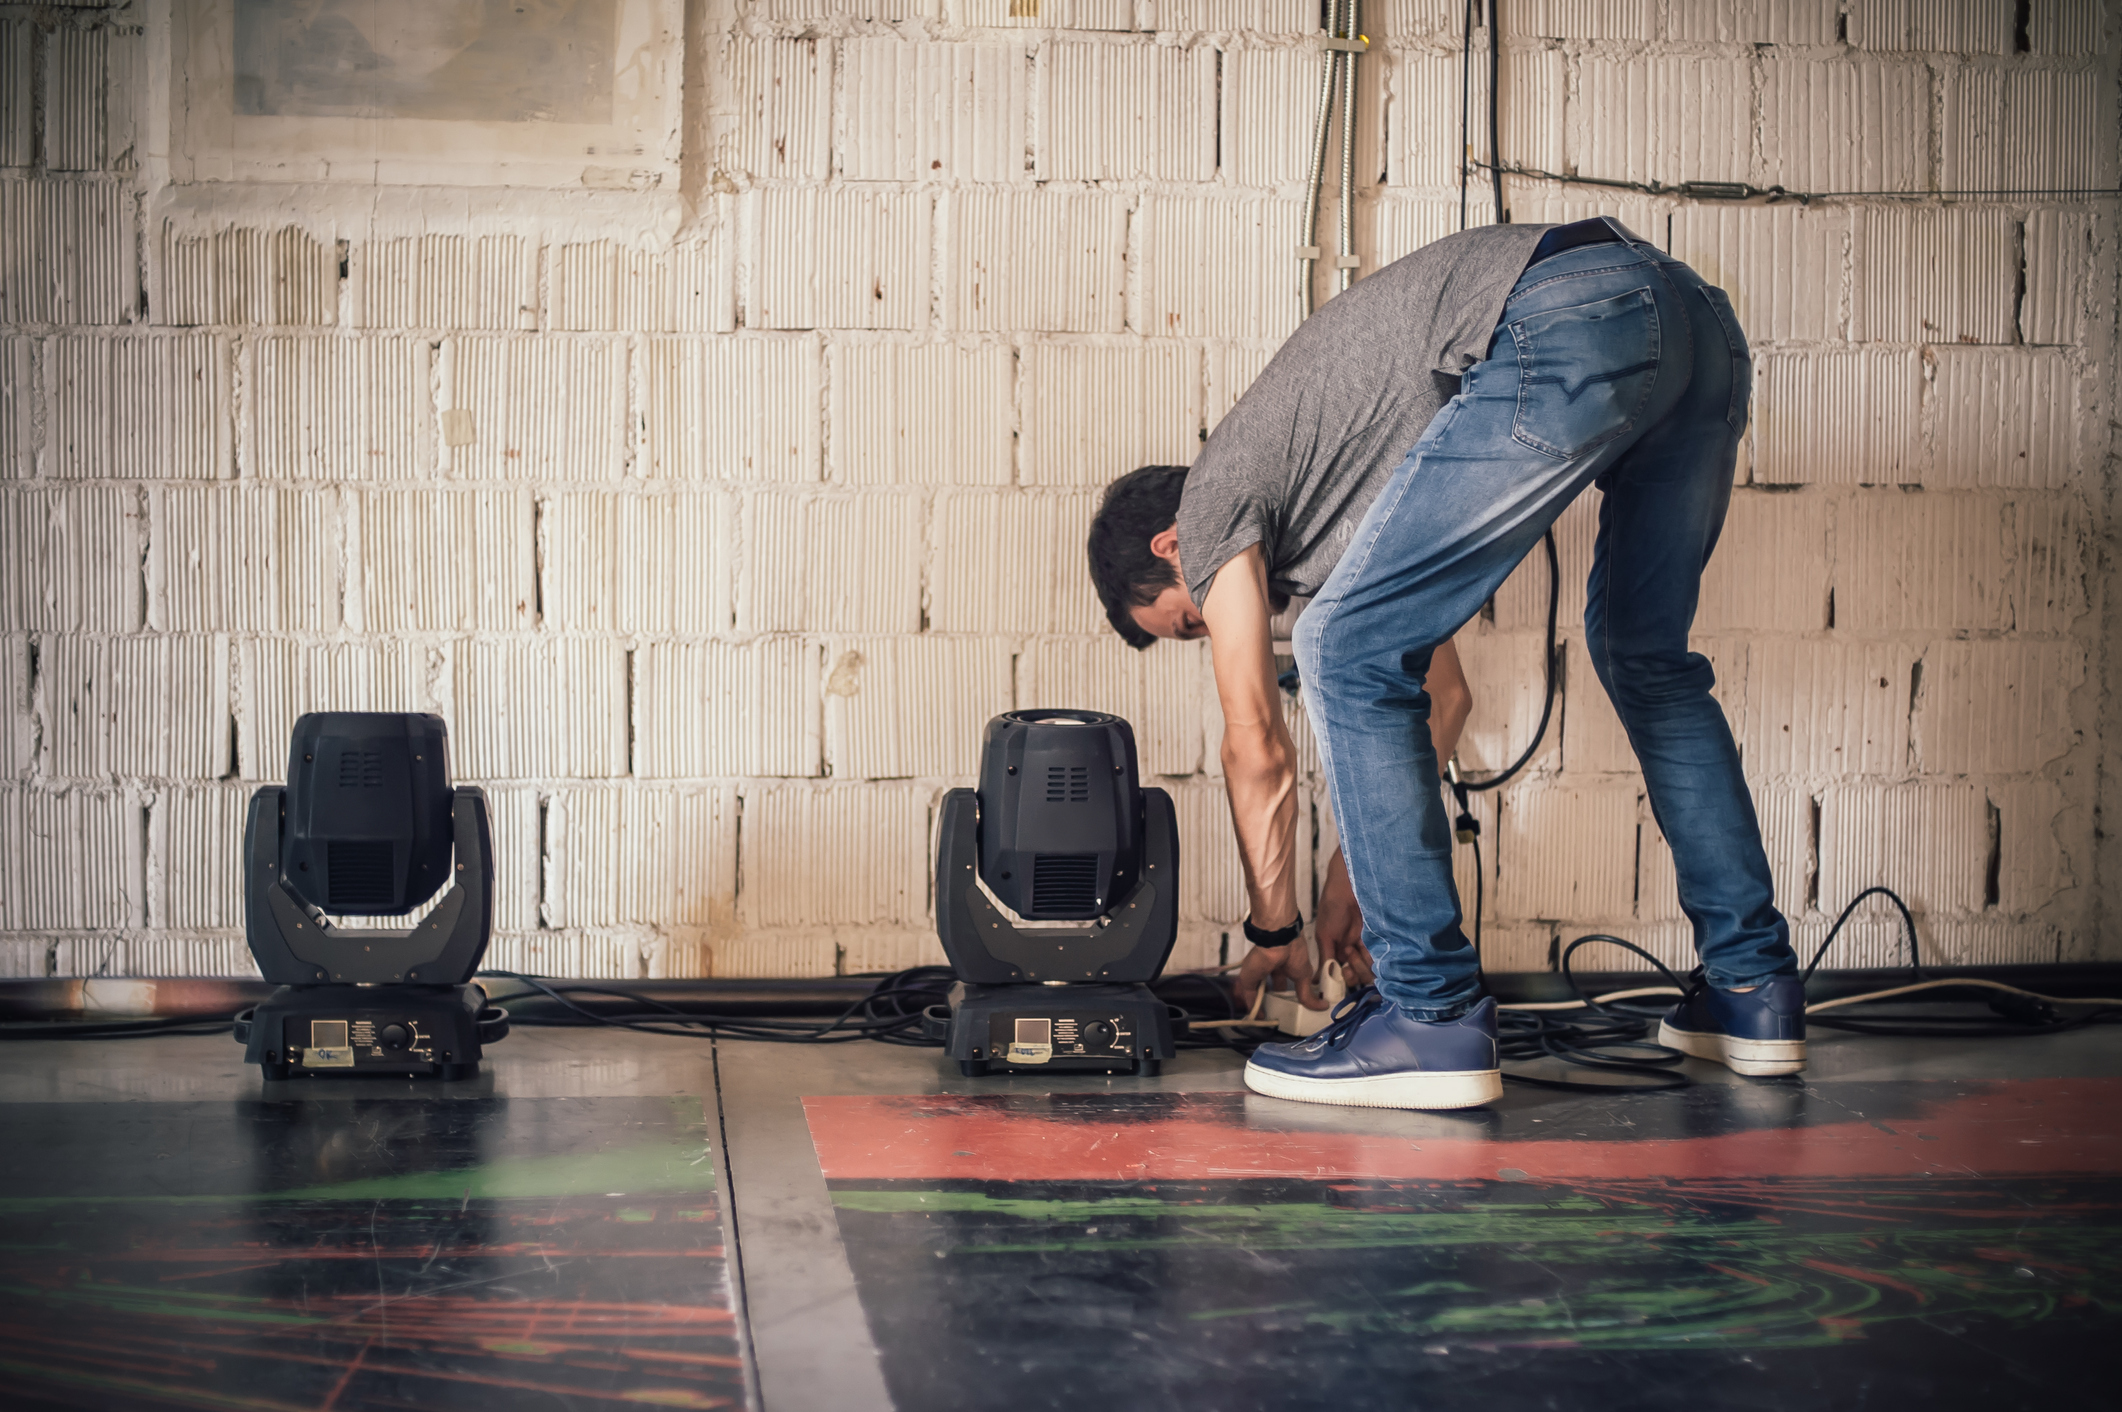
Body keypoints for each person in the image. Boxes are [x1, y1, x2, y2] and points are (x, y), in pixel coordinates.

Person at [1085, 216, 1804, 1111]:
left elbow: (1255, 742)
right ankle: (1753, 989)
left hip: (1575, 313)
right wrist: (1354, 880)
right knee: (1647, 661)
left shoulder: (1216, 496)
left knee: (1339, 646)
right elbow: (1441, 697)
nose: (1221, 637)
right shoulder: (1325, 525)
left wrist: (1275, 926)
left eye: (1191, 623)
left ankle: (1428, 1016)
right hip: (1696, 329)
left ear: (1172, 543)